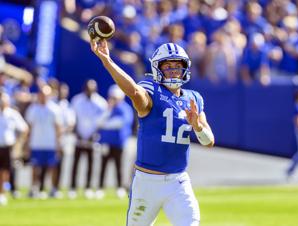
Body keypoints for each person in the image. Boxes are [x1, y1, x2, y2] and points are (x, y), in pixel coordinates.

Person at [90, 39, 214, 226]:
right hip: (147, 183)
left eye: (177, 65)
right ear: (158, 69)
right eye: (168, 66)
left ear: (185, 68)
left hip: (178, 181)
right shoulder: (151, 90)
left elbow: (209, 141)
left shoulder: (193, 99)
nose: (173, 70)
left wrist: (197, 126)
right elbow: (133, 91)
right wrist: (107, 61)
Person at [69, 79, 107, 199]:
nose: (89, 91)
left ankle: (88, 187)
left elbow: (103, 121)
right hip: (79, 137)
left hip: (92, 139)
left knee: (90, 164)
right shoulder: (77, 100)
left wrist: (94, 134)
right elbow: (72, 118)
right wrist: (76, 132)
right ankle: (73, 187)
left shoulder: (101, 102)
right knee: (75, 164)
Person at [96, 84, 134, 199]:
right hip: (106, 142)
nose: (114, 99)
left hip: (119, 142)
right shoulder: (107, 109)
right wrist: (108, 111)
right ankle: (100, 188)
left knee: (119, 166)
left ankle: (120, 188)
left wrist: (106, 124)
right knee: (103, 166)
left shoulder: (125, 109)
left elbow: (120, 123)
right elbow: (98, 122)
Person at [0, 91, 28, 205]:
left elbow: (24, 129)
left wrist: (19, 144)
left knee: (6, 170)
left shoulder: (12, 114)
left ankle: (3, 193)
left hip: (8, 146)